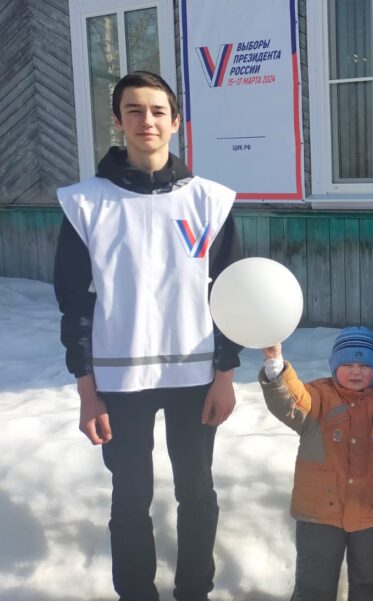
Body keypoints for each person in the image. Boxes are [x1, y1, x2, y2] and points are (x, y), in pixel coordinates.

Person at [53, 71, 241, 601]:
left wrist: (225, 375)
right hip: (119, 384)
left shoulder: (210, 201)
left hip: (195, 379)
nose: (147, 121)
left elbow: (232, 296)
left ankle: (194, 592)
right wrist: (87, 389)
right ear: (118, 120)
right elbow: (75, 303)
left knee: (197, 494)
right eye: (134, 110)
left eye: (158, 111)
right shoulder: (85, 204)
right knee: (130, 499)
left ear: (176, 121)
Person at [259, 327, 373, 601]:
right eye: (348, 364)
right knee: (314, 587)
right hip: (319, 514)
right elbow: (290, 402)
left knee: (370, 585)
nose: (356, 372)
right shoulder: (317, 396)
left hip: (372, 512)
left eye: (364, 365)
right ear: (334, 366)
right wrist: (274, 363)